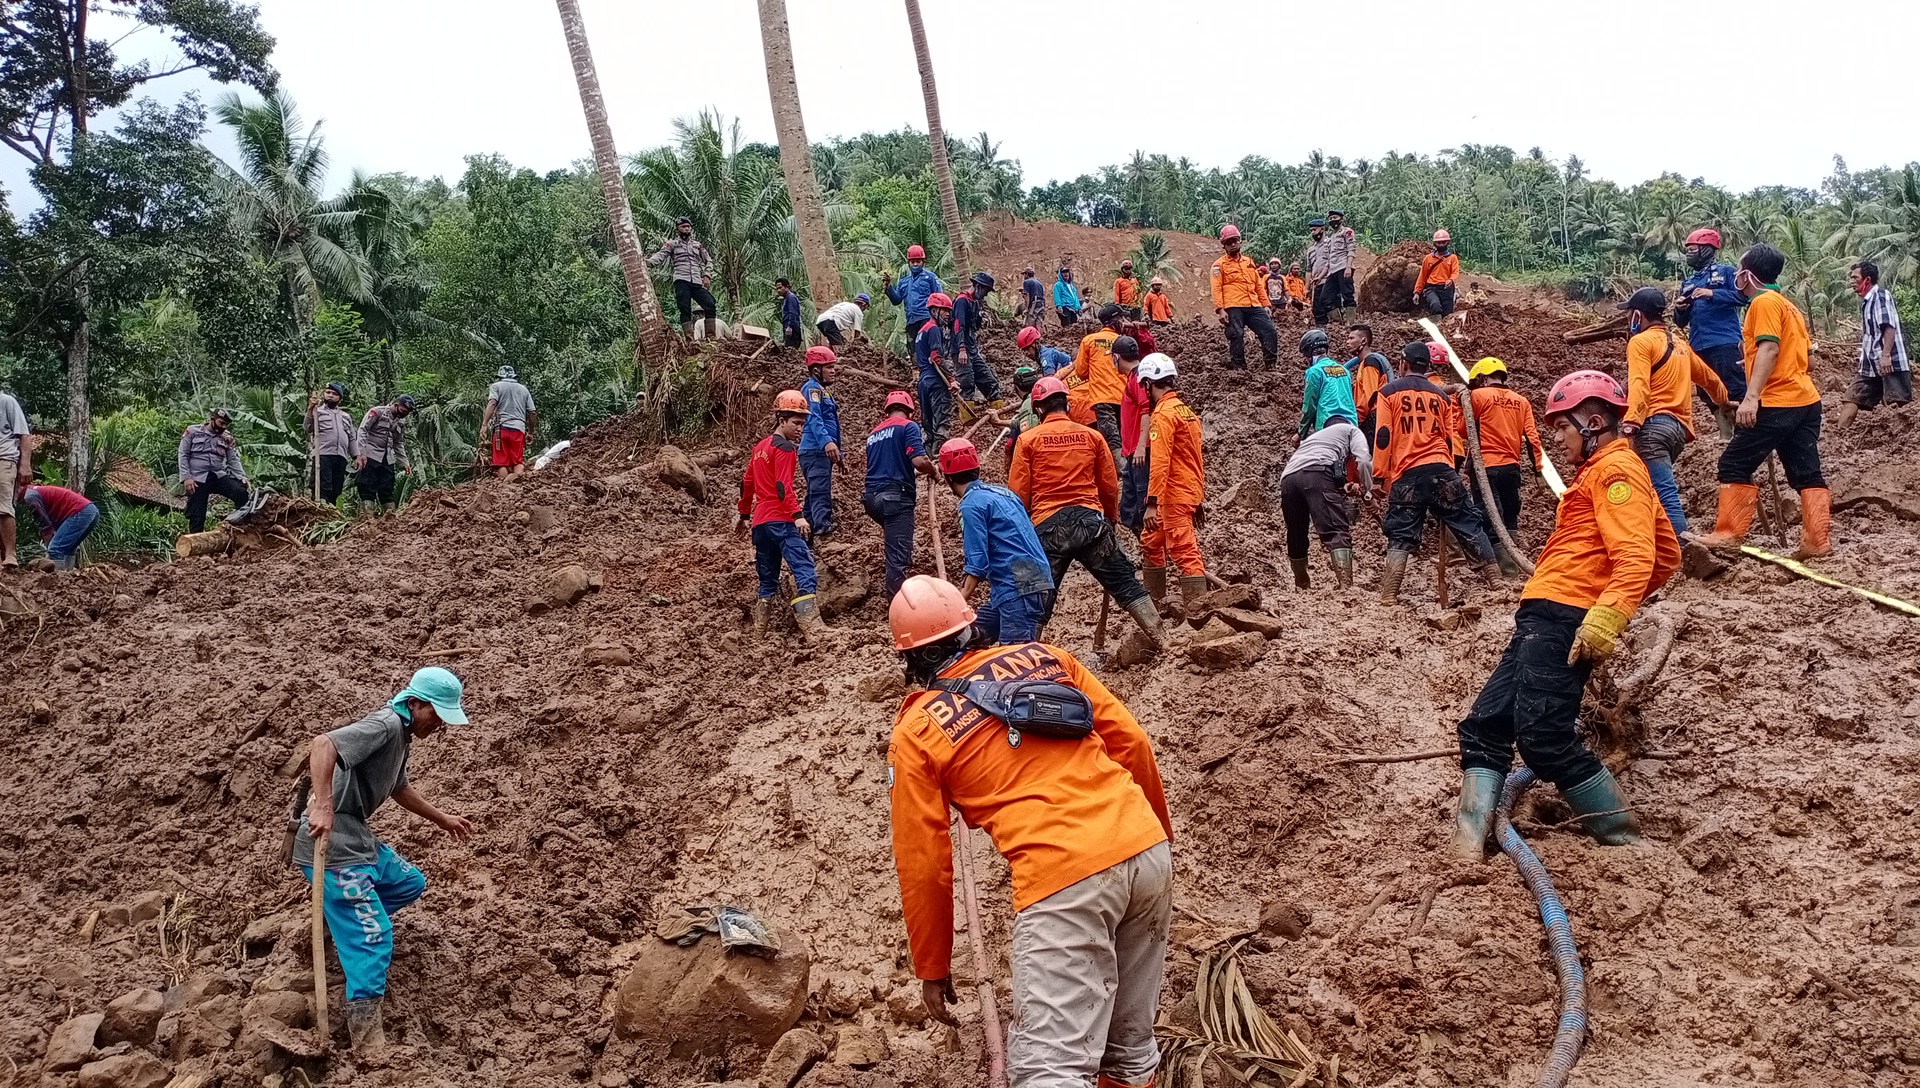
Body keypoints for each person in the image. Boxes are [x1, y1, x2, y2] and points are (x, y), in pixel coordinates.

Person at [885, 575, 1173, 1088]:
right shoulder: (1049, 658)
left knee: (1049, 1070)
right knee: (1129, 1049)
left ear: (908, 658)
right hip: (1145, 848)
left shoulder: (917, 732)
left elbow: (924, 860)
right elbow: (1132, 743)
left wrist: (932, 965)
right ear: (970, 629)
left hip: (1064, 875)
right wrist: (1156, 838)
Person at [1451, 370, 1678, 861]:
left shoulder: (1617, 471)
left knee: (1544, 737)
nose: (1556, 438)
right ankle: (1467, 846)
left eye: (1561, 427)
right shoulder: (1601, 472)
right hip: (1547, 614)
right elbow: (1666, 553)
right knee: (1486, 725)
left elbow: (1639, 556)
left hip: (1563, 616)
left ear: (1592, 423)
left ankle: (1625, 841)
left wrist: (1605, 613)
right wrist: (1608, 598)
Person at [293, 666, 475, 1050]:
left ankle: (341, 925)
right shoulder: (386, 725)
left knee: (408, 882)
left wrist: (442, 818)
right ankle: (367, 1041)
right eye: (437, 715)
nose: (440, 725)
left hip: (356, 836)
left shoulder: (402, 736)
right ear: (415, 703)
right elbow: (323, 744)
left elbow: (399, 786)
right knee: (375, 939)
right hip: (333, 844)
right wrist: (323, 804)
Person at [1009, 375, 1163, 649]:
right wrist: (1110, 519)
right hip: (1090, 522)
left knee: (1037, 597)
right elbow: (1109, 485)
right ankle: (1165, 640)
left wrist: (1024, 535)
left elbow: (1019, 494)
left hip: (1047, 527)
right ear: (1066, 404)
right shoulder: (1092, 436)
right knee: (1125, 583)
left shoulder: (1028, 440)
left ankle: (1026, 654)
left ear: (1038, 409)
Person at [1697, 244, 1830, 559]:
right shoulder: (1789, 306)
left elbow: (1770, 349)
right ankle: (1817, 541)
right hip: (1806, 401)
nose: (1736, 277)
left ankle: (1728, 535)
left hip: (1778, 401)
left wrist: (1751, 397)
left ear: (1746, 274)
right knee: (1806, 472)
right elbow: (1808, 362)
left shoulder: (1763, 302)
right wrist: (1752, 359)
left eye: (1738, 270)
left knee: (1733, 463)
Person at [1373, 343, 1498, 603]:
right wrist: (1450, 471)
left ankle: (1389, 593)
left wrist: (1379, 477)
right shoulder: (1441, 396)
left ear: (1404, 363)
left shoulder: (1388, 392)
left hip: (1408, 473)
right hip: (1442, 467)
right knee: (1468, 522)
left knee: (1400, 532)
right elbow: (1449, 437)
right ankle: (1496, 579)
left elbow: (1383, 436)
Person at [1616, 289, 1730, 534]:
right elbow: (1709, 378)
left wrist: (1630, 425)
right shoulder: (1679, 344)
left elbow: (1640, 385)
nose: (1626, 319)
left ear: (1637, 315)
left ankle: (1682, 545)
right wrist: (1724, 402)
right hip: (1677, 430)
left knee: (1664, 493)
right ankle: (1656, 543)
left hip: (1652, 429)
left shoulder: (1640, 342)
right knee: (1648, 489)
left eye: (1628, 314)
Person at [736, 391, 833, 642]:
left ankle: (758, 634)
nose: (800, 429)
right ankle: (813, 630)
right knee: (805, 570)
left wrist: (744, 514)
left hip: (760, 523)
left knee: (767, 580)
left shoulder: (760, 448)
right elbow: (783, 486)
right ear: (781, 420)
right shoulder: (785, 448)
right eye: (796, 423)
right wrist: (797, 515)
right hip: (780, 519)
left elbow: (747, 483)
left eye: (803, 423)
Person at [942, 438, 1054, 644]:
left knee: (1015, 658)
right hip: (1028, 583)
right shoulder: (1005, 494)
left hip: (1017, 589)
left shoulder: (971, 506)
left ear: (947, 477)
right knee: (968, 639)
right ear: (977, 469)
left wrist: (956, 602)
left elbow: (977, 562)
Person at [1457, 358, 1546, 574]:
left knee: (1490, 517)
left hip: (1485, 467)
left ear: (1482, 378)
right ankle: (1514, 564)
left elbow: (1462, 430)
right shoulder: (1521, 401)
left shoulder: (1478, 396)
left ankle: (1507, 570)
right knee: (1510, 515)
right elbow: (1532, 439)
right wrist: (1538, 471)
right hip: (1512, 468)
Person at [1138, 354, 1210, 613]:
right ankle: (1156, 605)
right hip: (1184, 490)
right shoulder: (1186, 412)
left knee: (1183, 549)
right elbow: (1194, 456)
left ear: (1149, 384)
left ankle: (1199, 613)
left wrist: (1152, 503)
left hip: (1173, 495)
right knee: (1151, 540)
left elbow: (1160, 461)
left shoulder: (1163, 415)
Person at [1281, 419, 1371, 589]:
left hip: (1288, 479)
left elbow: (1327, 472)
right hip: (1316, 473)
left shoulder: (1316, 439)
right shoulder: (1352, 430)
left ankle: (1302, 584)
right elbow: (1364, 461)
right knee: (1335, 528)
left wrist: (1344, 486)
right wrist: (1368, 492)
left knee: (1296, 533)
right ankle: (1346, 586)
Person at [863, 391, 935, 600]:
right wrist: (934, 471)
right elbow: (919, 461)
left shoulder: (873, 434)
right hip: (896, 499)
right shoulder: (908, 426)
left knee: (895, 545)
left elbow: (888, 466)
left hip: (872, 499)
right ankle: (897, 605)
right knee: (898, 557)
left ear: (888, 411)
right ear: (910, 411)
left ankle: (898, 584)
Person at [1672, 228, 1746, 405]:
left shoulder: (1727, 272)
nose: (1689, 254)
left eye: (1692, 250)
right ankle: (1722, 423)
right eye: (1687, 250)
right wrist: (1680, 309)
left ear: (1706, 250)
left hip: (1724, 342)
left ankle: (1745, 421)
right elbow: (1681, 322)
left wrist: (1712, 294)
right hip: (1698, 345)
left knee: (1736, 389)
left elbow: (1742, 297)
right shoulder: (1688, 283)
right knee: (1708, 394)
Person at [1839, 260, 1910, 426]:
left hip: (1890, 362)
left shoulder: (1880, 296)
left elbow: (1889, 327)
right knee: (1852, 397)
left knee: (1897, 405)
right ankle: (1839, 435)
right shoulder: (1867, 302)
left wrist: (1886, 356)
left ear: (1867, 280)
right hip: (1871, 364)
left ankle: (1901, 440)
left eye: (1855, 277)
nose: (1851, 281)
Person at [1212, 225, 1278, 370]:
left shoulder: (1249, 262)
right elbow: (1216, 288)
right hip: (1233, 305)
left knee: (1269, 330)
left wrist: (1266, 304)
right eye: (1229, 242)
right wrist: (1220, 310)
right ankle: (1239, 369)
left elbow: (1258, 284)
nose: (1233, 244)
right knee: (1236, 334)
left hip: (1253, 304)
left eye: (1235, 241)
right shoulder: (1219, 265)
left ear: (1240, 241)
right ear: (1224, 245)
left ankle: (1270, 365)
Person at [1072, 308, 1131, 463]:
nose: (1124, 323)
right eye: (1122, 319)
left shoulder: (1089, 341)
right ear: (1115, 321)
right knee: (1126, 435)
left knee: (1111, 438)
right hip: (1124, 397)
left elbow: (1081, 372)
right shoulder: (1124, 342)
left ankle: (1120, 470)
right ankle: (1128, 470)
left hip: (1102, 398)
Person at [179, 409, 250, 534]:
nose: (223, 427)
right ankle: (196, 539)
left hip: (217, 475)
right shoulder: (193, 431)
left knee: (240, 491)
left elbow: (233, 459)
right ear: (212, 419)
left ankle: (242, 527)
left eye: (226, 424)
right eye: (221, 423)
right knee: (197, 514)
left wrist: (242, 477)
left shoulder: (227, 438)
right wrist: (186, 477)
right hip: (197, 477)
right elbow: (183, 454)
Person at [798, 346, 842, 539]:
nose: (833, 371)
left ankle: (806, 534)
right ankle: (823, 529)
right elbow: (814, 418)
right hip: (815, 450)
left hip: (820, 451)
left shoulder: (822, 391)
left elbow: (832, 425)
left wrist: (838, 453)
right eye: (829, 367)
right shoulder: (812, 389)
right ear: (816, 369)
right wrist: (826, 443)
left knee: (814, 492)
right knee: (820, 491)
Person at [650, 216, 719, 339]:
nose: (686, 229)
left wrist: (707, 275)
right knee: (684, 308)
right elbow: (660, 256)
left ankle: (711, 337)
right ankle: (690, 338)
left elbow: (708, 261)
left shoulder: (697, 245)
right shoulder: (672, 244)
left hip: (696, 281)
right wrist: (647, 263)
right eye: (683, 226)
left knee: (710, 304)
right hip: (681, 280)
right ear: (677, 229)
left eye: (688, 226)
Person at [914, 292, 964, 449]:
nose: (948, 314)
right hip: (936, 381)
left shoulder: (921, 331)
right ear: (934, 310)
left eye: (949, 311)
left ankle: (929, 456)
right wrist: (951, 380)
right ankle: (938, 456)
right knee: (942, 422)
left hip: (923, 382)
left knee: (927, 425)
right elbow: (936, 357)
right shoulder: (934, 329)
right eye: (945, 310)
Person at [355, 396, 414, 515]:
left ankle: (390, 516)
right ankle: (368, 516)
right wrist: (361, 453)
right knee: (367, 486)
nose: (403, 414)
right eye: (402, 411)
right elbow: (363, 430)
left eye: (406, 413)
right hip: (370, 455)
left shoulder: (400, 423)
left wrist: (404, 462)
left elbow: (398, 443)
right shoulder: (377, 412)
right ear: (396, 405)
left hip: (387, 458)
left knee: (387, 487)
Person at [19, 483, 98, 571]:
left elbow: (45, 525)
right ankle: (68, 574)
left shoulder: (30, 497)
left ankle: (58, 577)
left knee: (55, 549)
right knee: (68, 549)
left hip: (80, 511)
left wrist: (49, 547)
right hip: (90, 510)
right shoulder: (34, 490)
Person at [1118, 351, 1155, 536]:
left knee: (1142, 504)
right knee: (1129, 508)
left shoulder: (1137, 377)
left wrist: (1141, 446)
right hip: (1131, 452)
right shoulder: (1133, 377)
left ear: (1117, 357)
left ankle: (1151, 545)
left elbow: (1145, 409)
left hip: (1139, 452)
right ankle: (1145, 542)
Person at [951, 272, 1002, 405]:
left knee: (990, 382)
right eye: (985, 291)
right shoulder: (962, 301)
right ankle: (967, 417)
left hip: (972, 350)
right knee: (967, 384)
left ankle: (1000, 413)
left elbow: (973, 327)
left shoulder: (975, 303)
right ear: (978, 286)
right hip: (961, 350)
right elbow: (958, 326)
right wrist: (962, 348)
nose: (985, 295)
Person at [1297, 328, 1358, 438]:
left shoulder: (1314, 372)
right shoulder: (1344, 370)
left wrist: (1301, 433)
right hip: (1351, 427)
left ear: (1309, 353)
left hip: (1328, 427)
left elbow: (1310, 406)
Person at [481, 366, 538, 479]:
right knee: (517, 461)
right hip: (519, 430)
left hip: (501, 429)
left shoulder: (496, 386)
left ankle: (504, 486)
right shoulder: (524, 390)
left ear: (500, 377)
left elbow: (492, 403)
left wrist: (484, 424)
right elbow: (532, 413)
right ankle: (517, 484)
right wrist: (531, 432)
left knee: (501, 462)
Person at [305, 382, 355, 503]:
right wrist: (310, 409)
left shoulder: (345, 416)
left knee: (336, 488)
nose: (330, 395)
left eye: (334, 394)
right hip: (323, 454)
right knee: (323, 485)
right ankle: (321, 507)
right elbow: (307, 428)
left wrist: (356, 456)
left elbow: (352, 437)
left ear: (340, 398)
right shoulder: (317, 411)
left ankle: (331, 509)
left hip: (341, 456)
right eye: (328, 392)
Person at [885, 244, 947, 338]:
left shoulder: (930, 278)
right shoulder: (903, 281)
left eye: (918, 261)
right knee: (913, 347)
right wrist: (888, 287)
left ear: (923, 262)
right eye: (912, 262)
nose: (915, 264)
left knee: (927, 345)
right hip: (911, 321)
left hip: (927, 319)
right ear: (908, 263)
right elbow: (896, 300)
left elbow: (939, 297)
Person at [0, 386, 32, 569]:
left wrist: (25, 464)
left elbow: (24, 435)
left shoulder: (6, 402)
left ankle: (11, 554)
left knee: (3, 506)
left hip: (4, 458)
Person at [1347, 324, 1393, 436]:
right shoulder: (1366, 362)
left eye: (1351, 338)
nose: (1347, 342)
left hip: (1372, 418)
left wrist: (1357, 420)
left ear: (1363, 341)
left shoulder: (1370, 362)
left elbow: (1369, 396)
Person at [1320, 209, 1358, 319]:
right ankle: (1338, 321)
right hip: (1332, 270)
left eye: (1335, 218)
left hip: (1343, 267)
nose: (1332, 220)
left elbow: (1351, 250)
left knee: (1347, 295)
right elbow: (1328, 260)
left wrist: (1348, 267)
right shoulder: (1330, 238)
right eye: (1330, 218)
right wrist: (1320, 277)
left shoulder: (1347, 232)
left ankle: (1350, 322)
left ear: (1341, 219)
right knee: (1325, 297)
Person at [1414, 230, 1461, 316]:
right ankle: (1435, 322)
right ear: (1434, 243)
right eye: (1439, 242)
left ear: (1448, 242)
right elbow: (1422, 276)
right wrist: (1417, 292)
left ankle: (1440, 324)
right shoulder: (1428, 259)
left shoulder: (1453, 258)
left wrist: (1451, 280)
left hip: (1446, 290)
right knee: (1435, 306)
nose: (1441, 244)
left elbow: (1455, 272)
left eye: (1443, 242)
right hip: (1432, 288)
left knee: (1447, 315)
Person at [1002, 368, 1044, 455]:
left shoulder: (1028, 403)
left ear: (1016, 387)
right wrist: (998, 422)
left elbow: (1028, 433)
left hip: (1040, 450)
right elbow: (1022, 422)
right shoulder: (1043, 395)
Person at [1306, 218, 1332, 325]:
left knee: (1329, 304)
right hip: (1316, 283)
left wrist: (1321, 276)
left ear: (1322, 229)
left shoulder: (1330, 243)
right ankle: (1321, 326)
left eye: (1315, 230)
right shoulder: (1311, 250)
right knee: (1317, 307)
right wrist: (1306, 288)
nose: (1313, 232)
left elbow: (1331, 261)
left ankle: (1336, 325)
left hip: (1329, 280)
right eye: (1312, 230)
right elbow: (1308, 269)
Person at [776, 278, 805, 349]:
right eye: (777, 289)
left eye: (780, 287)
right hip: (789, 327)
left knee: (790, 349)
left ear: (787, 287)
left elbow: (793, 313)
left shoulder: (790, 297)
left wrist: (790, 326)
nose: (778, 290)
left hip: (792, 329)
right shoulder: (786, 298)